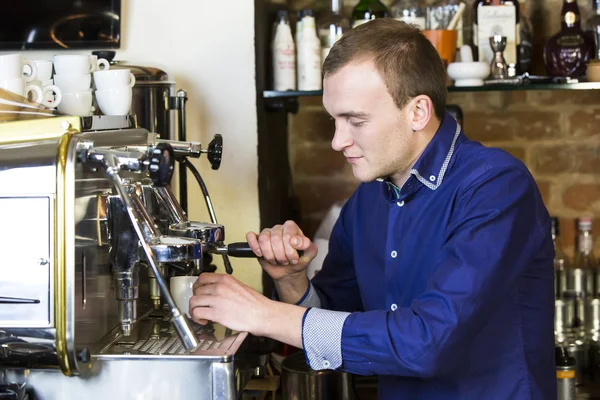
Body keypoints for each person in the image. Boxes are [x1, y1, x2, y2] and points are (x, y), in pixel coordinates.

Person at [190, 18, 555, 399]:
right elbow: (330, 319)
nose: (337, 141)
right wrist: (291, 280)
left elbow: (427, 343)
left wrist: (262, 314)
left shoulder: (496, 187)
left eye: (356, 121)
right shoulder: (368, 199)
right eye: (334, 120)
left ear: (417, 112)